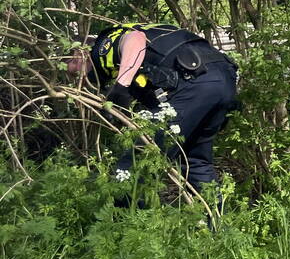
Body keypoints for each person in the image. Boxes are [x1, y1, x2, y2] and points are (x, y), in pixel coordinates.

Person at [68, 22, 238, 194]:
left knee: (134, 164)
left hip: (195, 82)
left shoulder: (102, 46)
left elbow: (135, 39)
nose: (77, 79)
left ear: (79, 54)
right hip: (222, 79)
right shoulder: (138, 53)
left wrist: (121, 87)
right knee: (194, 161)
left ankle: (125, 218)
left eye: (73, 71)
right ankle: (215, 219)